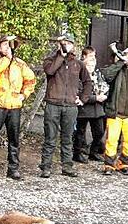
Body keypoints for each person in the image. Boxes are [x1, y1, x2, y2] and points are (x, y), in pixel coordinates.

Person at [0, 35, 36, 181]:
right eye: (4, 45)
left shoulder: (20, 64)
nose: (7, 48)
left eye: (9, 45)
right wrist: (7, 59)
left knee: (14, 139)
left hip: (14, 105)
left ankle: (13, 169)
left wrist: (24, 94)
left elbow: (31, 79)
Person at [40, 34, 93, 178]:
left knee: (67, 138)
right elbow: (50, 71)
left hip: (70, 106)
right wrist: (61, 57)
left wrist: (83, 99)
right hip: (53, 104)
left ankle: (67, 166)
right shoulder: (50, 60)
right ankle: (46, 167)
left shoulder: (78, 64)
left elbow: (88, 82)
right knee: (50, 137)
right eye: (63, 43)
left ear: (73, 46)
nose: (66, 46)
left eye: (69, 44)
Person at [101, 47, 128, 175]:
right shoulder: (116, 69)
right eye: (125, 54)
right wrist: (120, 63)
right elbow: (106, 75)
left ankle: (124, 163)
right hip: (115, 112)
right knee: (111, 140)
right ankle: (109, 165)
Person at [73, 46, 108, 163]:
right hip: (83, 108)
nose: (93, 61)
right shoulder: (79, 72)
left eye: (94, 58)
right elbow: (78, 92)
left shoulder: (98, 74)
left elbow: (104, 85)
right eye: (91, 57)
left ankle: (94, 151)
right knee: (80, 133)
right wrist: (95, 98)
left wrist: (104, 93)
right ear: (84, 58)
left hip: (97, 109)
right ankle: (79, 153)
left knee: (99, 132)